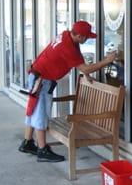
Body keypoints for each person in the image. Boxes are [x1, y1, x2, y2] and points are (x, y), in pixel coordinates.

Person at [18, 20, 117, 162]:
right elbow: (84, 66)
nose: (88, 39)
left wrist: (87, 74)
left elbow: (78, 56)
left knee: (33, 110)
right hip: (42, 80)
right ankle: (42, 150)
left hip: (37, 75)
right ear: (80, 36)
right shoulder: (67, 47)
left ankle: (27, 143)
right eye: (87, 37)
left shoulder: (66, 36)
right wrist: (107, 61)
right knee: (40, 113)